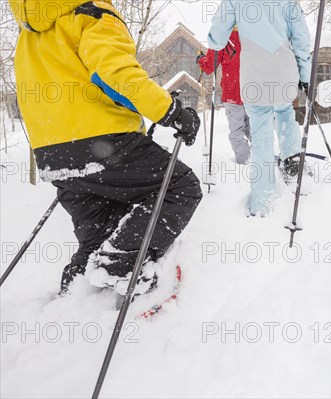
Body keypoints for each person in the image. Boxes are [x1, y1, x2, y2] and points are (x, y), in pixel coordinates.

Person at [9, 0, 203, 295]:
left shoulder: (30, 32)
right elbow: (116, 73)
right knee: (180, 186)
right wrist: (171, 111)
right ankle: (117, 264)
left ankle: (75, 296)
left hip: (52, 153)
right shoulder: (92, 13)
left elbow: (89, 81)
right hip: (103, 142)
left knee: (99, 233)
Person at [206, 0, 311, 216]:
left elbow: (217, 40)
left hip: (254, 76)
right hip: (284, 71)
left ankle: (263, 201)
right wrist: (305, 75)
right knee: (284, 114)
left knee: (261, 134)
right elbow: (302, 38)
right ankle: (295, 172)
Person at [198, 27, 251, 165]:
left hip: (233, 92)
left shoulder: (221, 36)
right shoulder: (253, 33)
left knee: (236, 131)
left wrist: (201, 59)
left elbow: (209, 66)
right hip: (253, 91)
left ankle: (245, 162)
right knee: (253, 127)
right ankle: (262, 157)